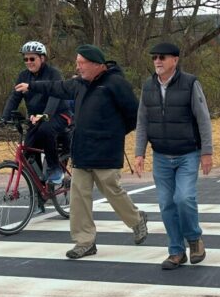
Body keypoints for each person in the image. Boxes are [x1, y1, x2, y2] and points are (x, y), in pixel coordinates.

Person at [15, 44, 148, 259]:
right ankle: (84, 242)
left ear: (96, 64)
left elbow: (135, 115)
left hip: (106, 150)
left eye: (81, 63)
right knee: (79, 197)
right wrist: (32, 87)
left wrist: (115, 133)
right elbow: (56, 87)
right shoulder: (78, 84)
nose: (77, 67)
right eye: (77, 63)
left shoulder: (116, 84)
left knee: (112, 191)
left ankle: (137, 219)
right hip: (82, 149)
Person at [134, 42, 214, 270]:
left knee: (184, 198)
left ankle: (194, 239)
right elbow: (142, 121)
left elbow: (203, 119)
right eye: (154, 57)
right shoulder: (148, 86)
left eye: (162, 57)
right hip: (161, 156)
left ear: (175, 60)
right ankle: (176, 251)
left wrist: (207, 152)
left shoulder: (190, 83)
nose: (157, 61)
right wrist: (139, 153)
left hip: (188, 153)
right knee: (166, 204)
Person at [0, 41, 71, 192]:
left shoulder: (54, 74)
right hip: (36, 118)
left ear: (42, 58)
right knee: (28, 151)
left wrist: (45, 115)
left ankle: (55, 168)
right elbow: (14, 97)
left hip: (59, 114)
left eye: (32, 58)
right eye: (25, 59)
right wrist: (3, 118)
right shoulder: (23, 76)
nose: (28, 62)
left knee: (46, 129)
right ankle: (40, 190)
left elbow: (54, 97)